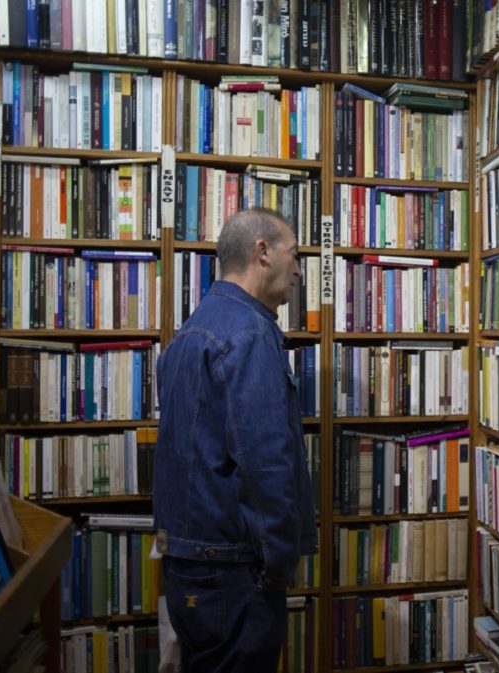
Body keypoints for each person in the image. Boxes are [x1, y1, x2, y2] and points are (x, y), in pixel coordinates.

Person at [153, 208, 317, 673]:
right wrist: (277, 567)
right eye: (295, 253)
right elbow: (266, 465)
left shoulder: (190, 332)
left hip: (188, 564)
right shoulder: (249, 334)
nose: (300, 268)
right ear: (262, 253)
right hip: (233, 571)